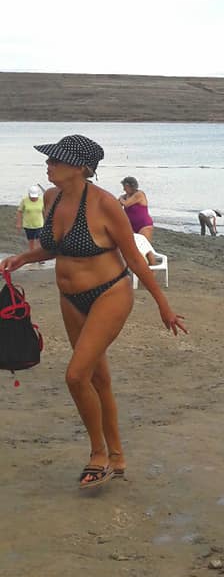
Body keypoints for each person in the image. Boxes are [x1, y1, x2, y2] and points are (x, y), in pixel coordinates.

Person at [0, 135, 186, 489]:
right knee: (97, 379)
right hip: (70, 298)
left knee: (75, 376)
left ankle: (98, 454)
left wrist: (164, 306)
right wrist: (22, 258)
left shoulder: (105, 205)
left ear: (80, 168)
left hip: (110, 293)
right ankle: (117, 456)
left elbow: (135, 258)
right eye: (49, 159)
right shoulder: (51, 198)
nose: (48, 165)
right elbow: (56, 249)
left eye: (56, 160)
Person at [118, 177, 154, 242]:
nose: (124, 189)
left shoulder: (139, 194)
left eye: (125, 187)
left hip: (143, 225)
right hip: (131, 225)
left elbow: (126, 204)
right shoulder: (126, 196)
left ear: (129, 186)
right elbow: (117, 205)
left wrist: (121, 198)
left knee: (143, 245)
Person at [16, 185, 45, 252]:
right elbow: (19, 211)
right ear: (29, 194)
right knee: (31, 242)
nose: (33, 198)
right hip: (28, 225)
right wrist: (19, 223)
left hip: (39, 225)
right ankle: (32, 254)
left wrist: (46, 222)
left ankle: (38, 255)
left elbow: (44, 212)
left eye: (35, 196)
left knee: (39, 241)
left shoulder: (41, 201)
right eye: (32, 196)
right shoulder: (24, 200)